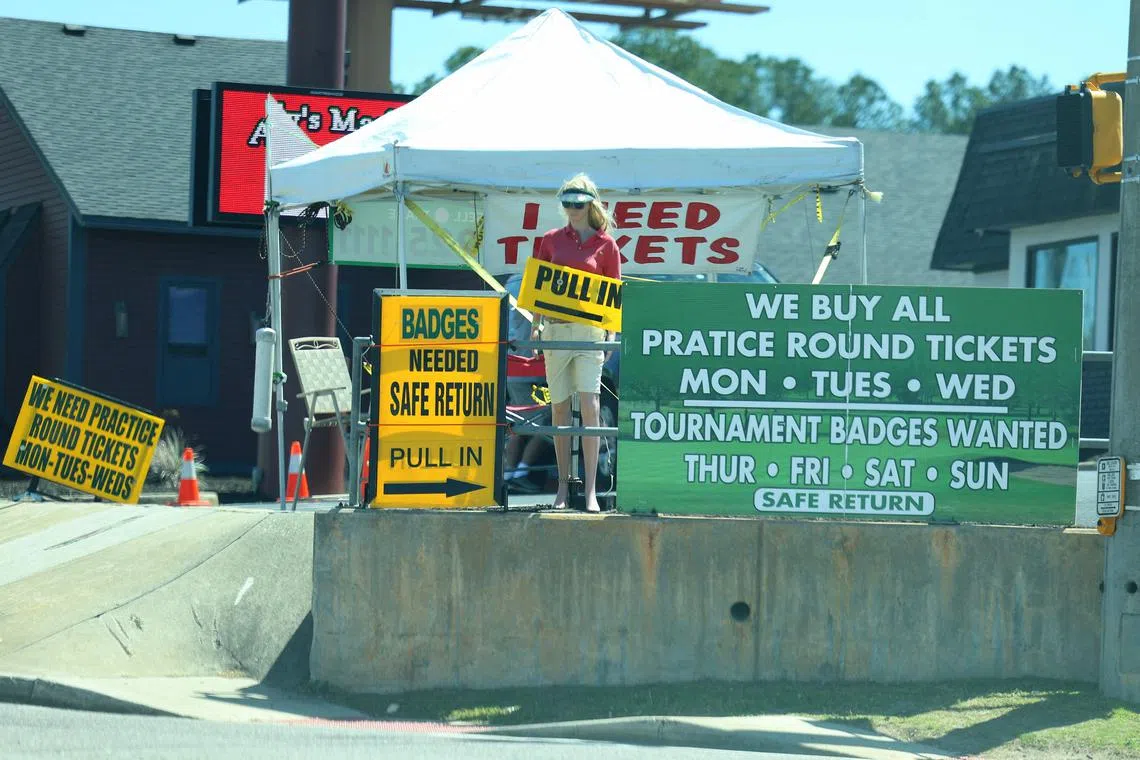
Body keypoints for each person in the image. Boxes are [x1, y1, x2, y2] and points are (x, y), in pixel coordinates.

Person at [530, 174, 620, 512]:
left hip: (588, 332)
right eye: (567, 203)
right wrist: (536, 326)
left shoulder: (606, 245)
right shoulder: (551, 239)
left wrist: (611, 334)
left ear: (590, 204)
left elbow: (614, 291)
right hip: (555, 330)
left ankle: (592, 490)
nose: (572, 209)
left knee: (591, 404)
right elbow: (539, 285)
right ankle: (564, 487)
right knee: (559, 407)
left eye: (578, 203)